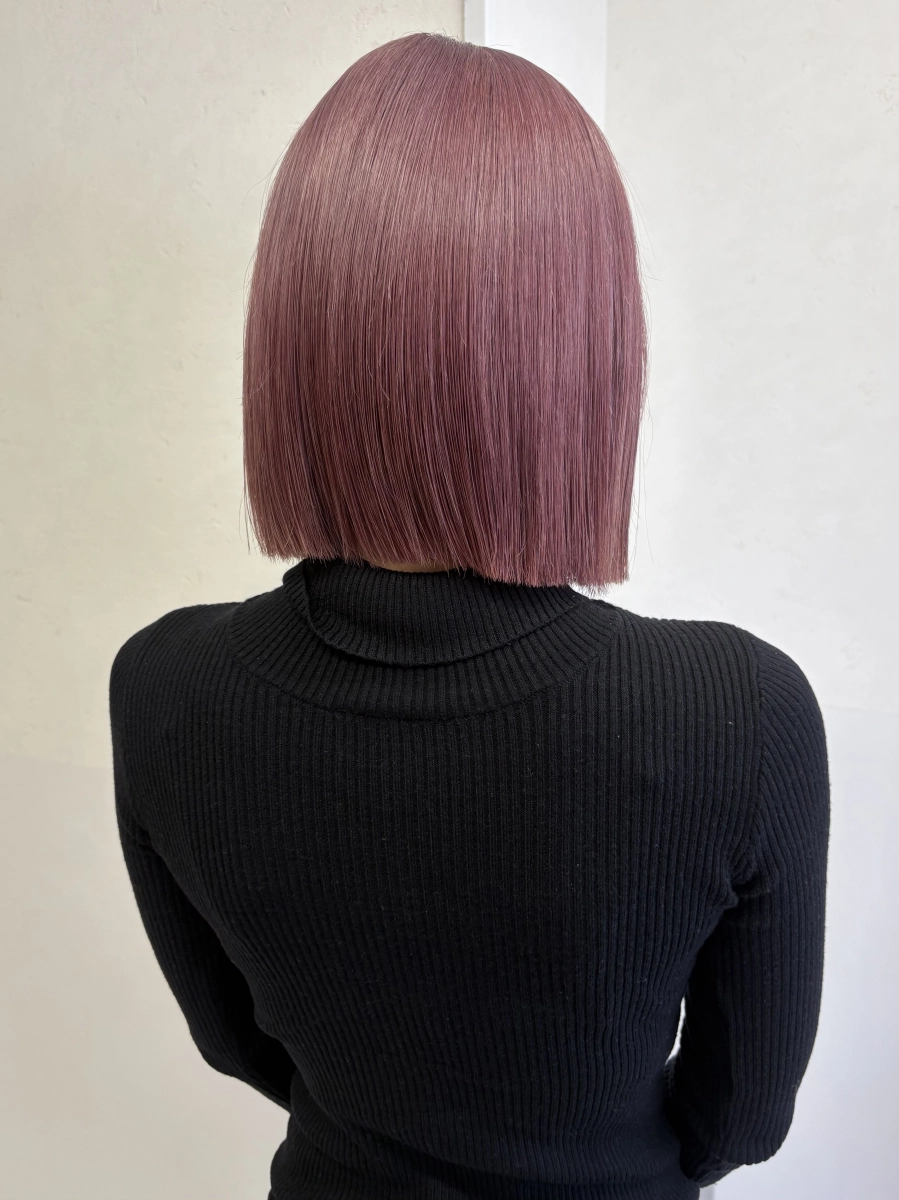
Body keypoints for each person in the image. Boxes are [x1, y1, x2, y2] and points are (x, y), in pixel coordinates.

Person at [109, 31, 830, 1200]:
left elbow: (236, 1043)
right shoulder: (739, 716)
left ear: (293, 328)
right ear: (588, 348)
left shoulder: (161, 686)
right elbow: (742, 1117)